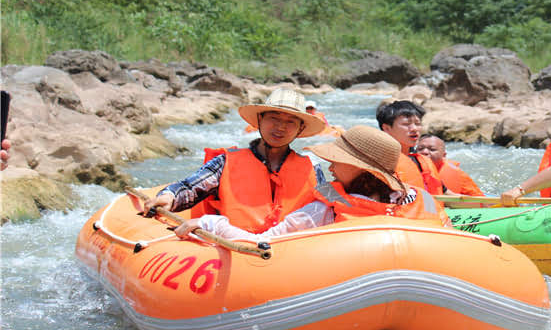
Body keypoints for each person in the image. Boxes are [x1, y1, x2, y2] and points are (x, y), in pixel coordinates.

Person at [174, 125, 451, 240]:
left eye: (337, 159)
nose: (329, 164)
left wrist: (212, 224)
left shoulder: (326, 209)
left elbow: (262, 244)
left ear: (358, 167)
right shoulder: (421, 198)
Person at [141, 88, 327, 234]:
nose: (280, 127)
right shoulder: (225, 162)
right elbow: (189, 187)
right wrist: (169, 197)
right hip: (234, 250)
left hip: (292, 253)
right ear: (259, 120)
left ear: (300, 128)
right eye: (274, 118)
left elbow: (329, 209)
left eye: (290, 122)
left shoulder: (313, 168)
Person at [376, 100, 443, 195]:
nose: (414, 129)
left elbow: (448, 194)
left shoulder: (421, 162)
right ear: (387, 128)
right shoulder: (379, 163)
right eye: (406, 124)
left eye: (417, 123)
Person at [416, 134, 483, 196]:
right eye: (420, 149)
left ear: (444, 155)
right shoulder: (408, 169)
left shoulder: (458, 175)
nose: (424, 152)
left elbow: (482, 201)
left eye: (432, 149)